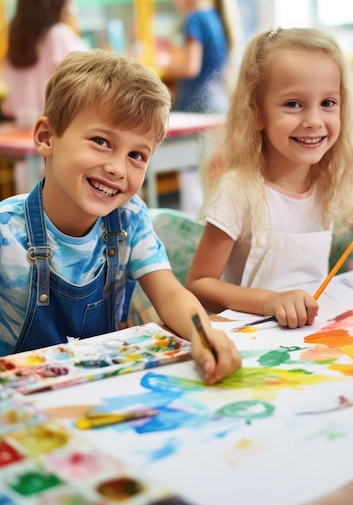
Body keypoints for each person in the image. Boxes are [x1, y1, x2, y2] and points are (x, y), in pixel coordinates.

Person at [0, 49, 241, 385]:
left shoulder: (129, 219)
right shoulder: (5, 233)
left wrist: (202, 332)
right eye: (101, 141)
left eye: (136, 155)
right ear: (46, 137)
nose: (116, 168)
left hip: (102, 389)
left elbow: (170, 294)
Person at [186, 27, 353, 328]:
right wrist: (270, 300)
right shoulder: (239, 190)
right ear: (256, 112)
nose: (313, 121)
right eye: (293, 104)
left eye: (328, 103)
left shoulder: (326, 183)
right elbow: (200, 284)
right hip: (254, 334)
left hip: (312, 334)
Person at [1, 0, 86, 126]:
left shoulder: (16, 40)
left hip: (22, 129)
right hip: (57, 128)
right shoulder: (59, 34)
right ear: (51, 4)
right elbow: (85, 87)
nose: (74, 10)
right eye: (68, 2)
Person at [160, 0, 241, 114]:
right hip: (217, 103)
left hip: (197, 106)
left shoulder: (194, 19)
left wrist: (168, 65)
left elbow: (190, 67)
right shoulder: (214, 16)